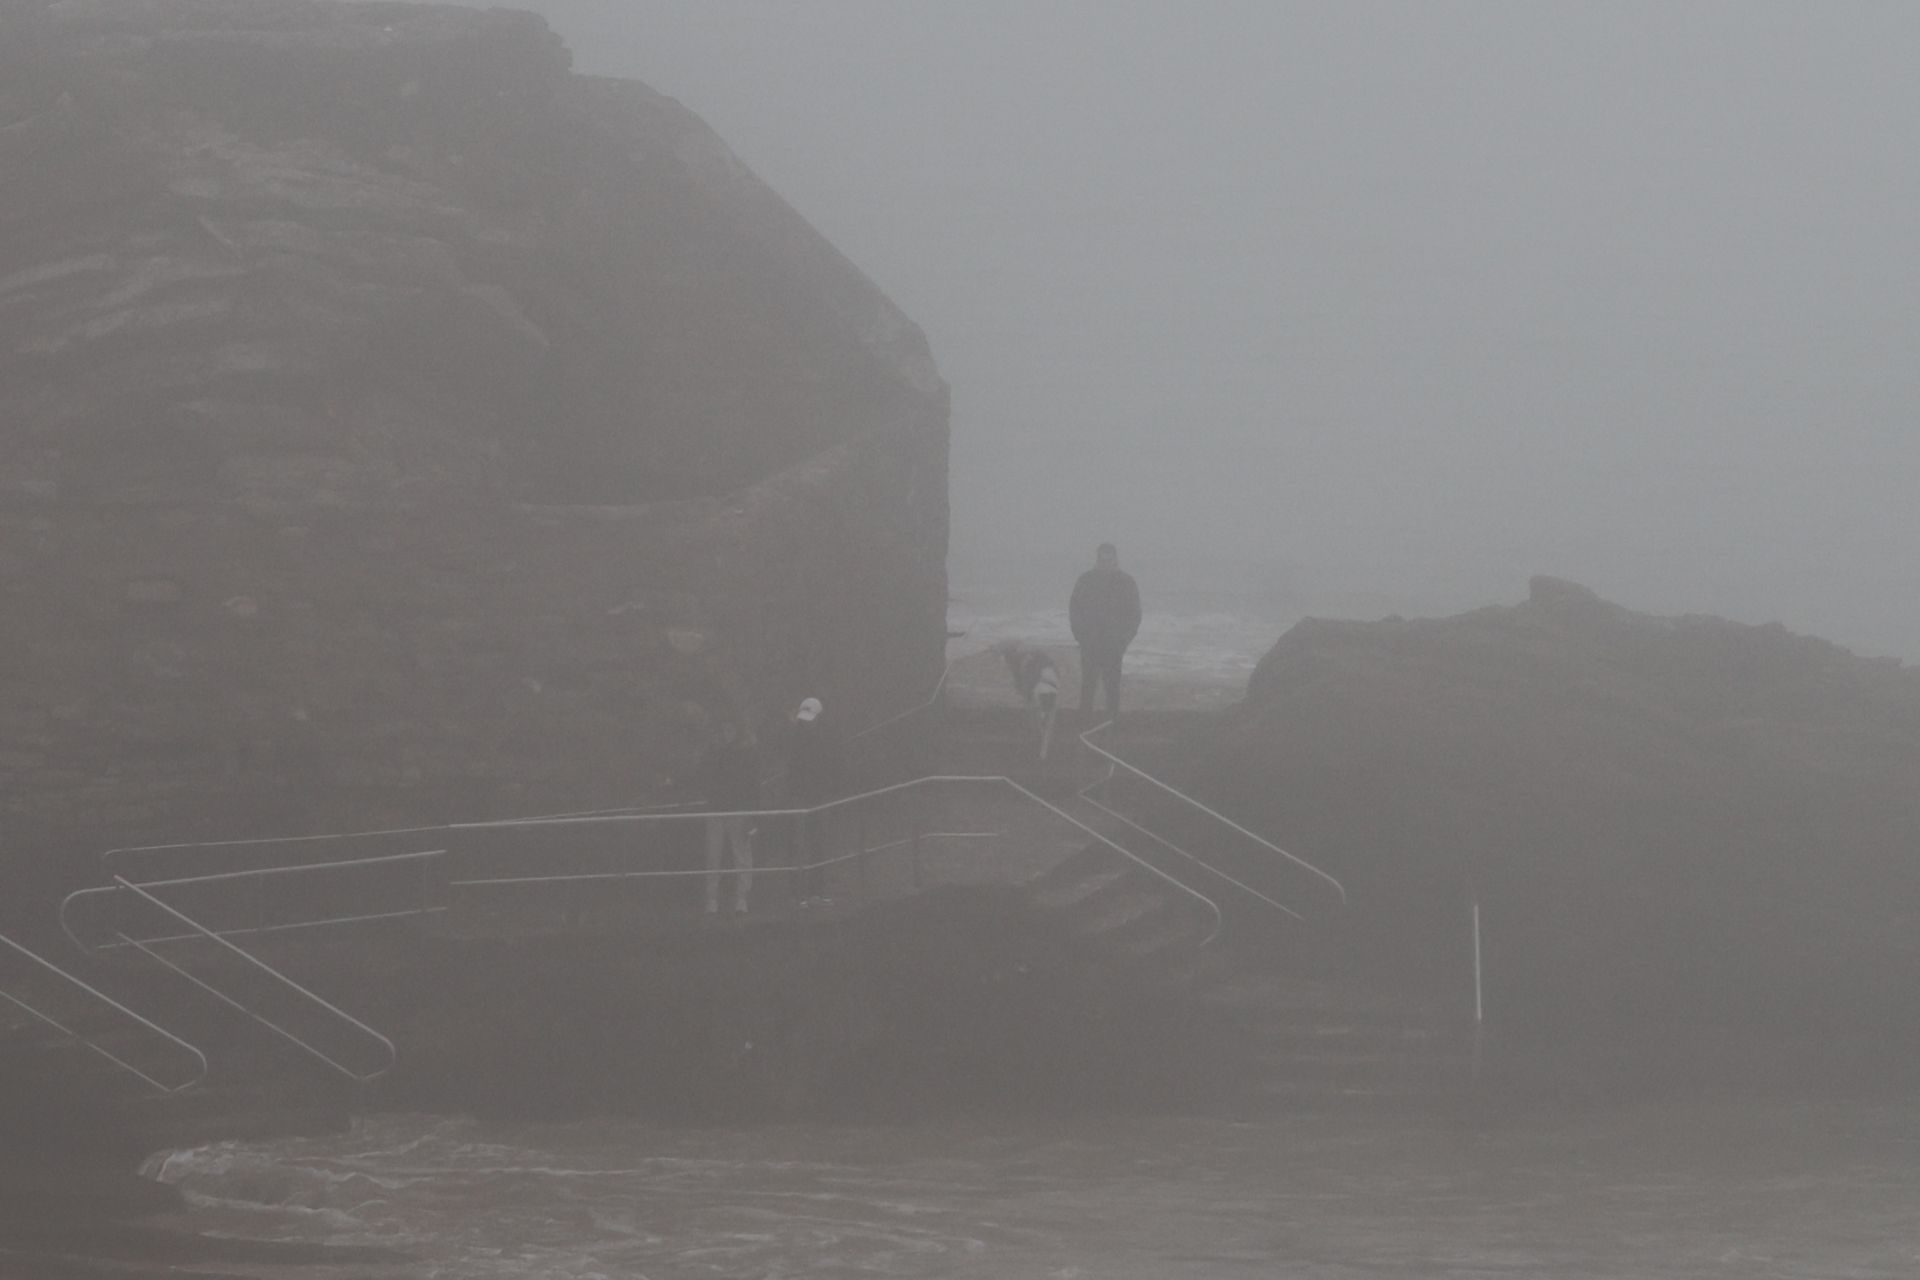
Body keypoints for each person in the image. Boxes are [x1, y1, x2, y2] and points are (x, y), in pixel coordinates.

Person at [785, 696, 849, 905]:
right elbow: (788, 760)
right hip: (800, 797)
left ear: (820, 718)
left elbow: (835, 767)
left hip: (820, 796)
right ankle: (798, 892)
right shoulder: (794, 736)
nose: (807, 722)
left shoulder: (827, 738)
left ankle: (818, 890)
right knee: (798, 844)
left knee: (819, 843)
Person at [1069, 542, 1141, 723]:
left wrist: (1123, 640)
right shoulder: (1085, 580)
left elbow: (1135, 614)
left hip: (1114, 644)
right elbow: (1074, 610)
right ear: (1097, 559)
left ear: (1115, 559)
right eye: (1102, 558)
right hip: (1090, 643)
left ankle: (1112, 725)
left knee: (1112, 688)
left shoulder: (1126, 582)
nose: (1105, 562)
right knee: (1088, 686)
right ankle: (1083, 725)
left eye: (1109, 558)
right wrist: (1081, 637)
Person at [694, 718, 760, 916]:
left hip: (739, 810)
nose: (726, 733)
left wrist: (754, 815)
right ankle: (711, 899)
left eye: (730, 729)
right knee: (713, 855)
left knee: (741, 856)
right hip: (715, 809)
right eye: (724, 729)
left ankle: (742, 898)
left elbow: (753, 786)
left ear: (737, 731)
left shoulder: (747, 753)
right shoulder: (712, 752)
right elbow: (701, 776)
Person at [996, 640, 1062, 760]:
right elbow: (1024, 685)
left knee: (1040, 717)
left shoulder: (1025, 664)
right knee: (1043, 719)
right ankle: (1042, 745)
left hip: (1041, 685)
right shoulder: (1028, 666)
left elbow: (1025, 685)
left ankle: (1041, 745)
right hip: (1043, 682)